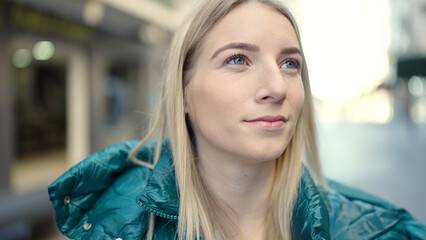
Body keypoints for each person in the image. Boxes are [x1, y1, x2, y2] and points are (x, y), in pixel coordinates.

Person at [48, 0, 426, 239]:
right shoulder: (114, 224)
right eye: (238, 60)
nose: (277, 87)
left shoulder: (381, 231)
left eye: (289, 63)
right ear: (182, 93)